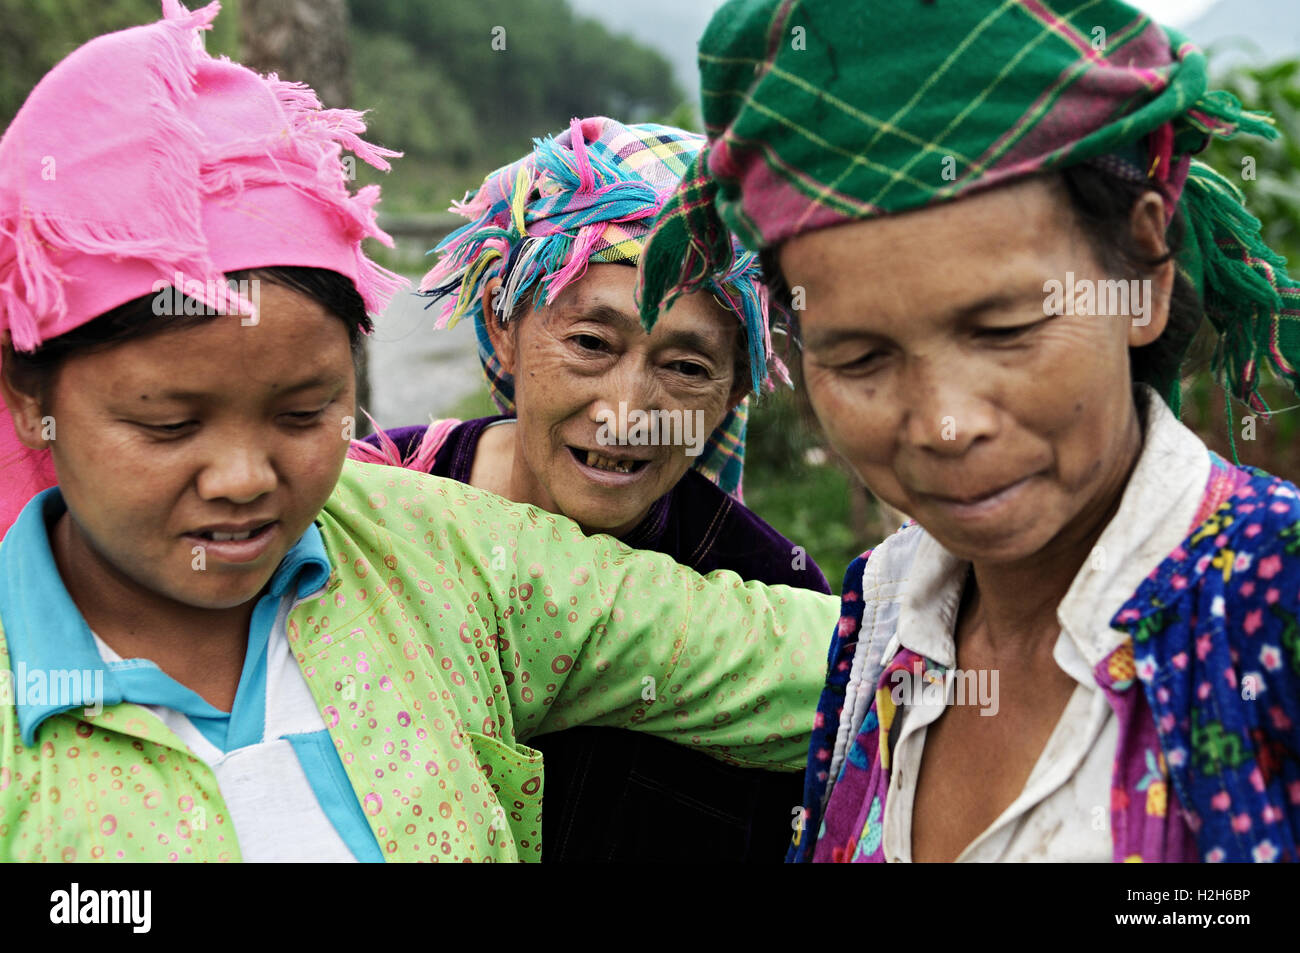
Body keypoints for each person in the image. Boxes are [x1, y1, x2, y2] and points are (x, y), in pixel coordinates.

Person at [0, 0, 839, 862]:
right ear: (29, 393)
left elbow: (818, 662)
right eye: (170, 423)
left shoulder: (433, 554)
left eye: (301, 412)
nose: (245, 478)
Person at [639, 0, 1300, 862]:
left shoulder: (1271, 602)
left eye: (1006, 329)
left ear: (1143, 266)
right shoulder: (882, 609)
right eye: (862, 357)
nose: (946, 426)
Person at [352, 116, 831, 861]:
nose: (627, 415)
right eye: (590, 343)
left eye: (685, 367)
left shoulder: (766, 588)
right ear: (504, 330)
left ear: (735, 390)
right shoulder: (378, 499)